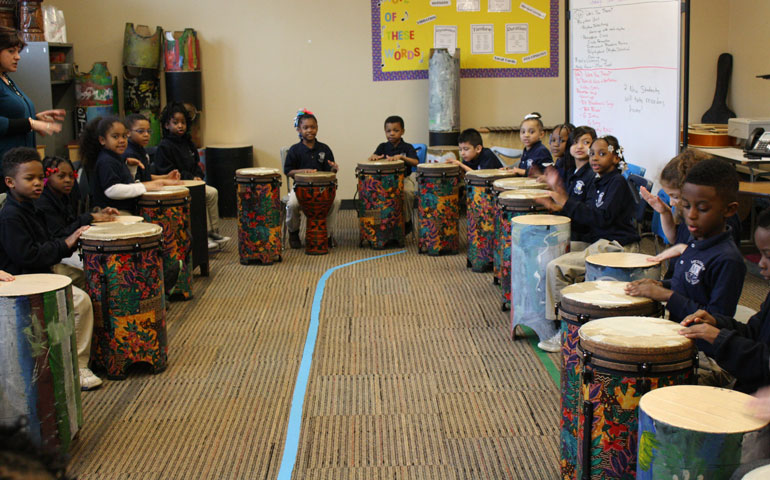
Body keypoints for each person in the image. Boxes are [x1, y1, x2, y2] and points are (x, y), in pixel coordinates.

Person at [0, 147, 102, 390]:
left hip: (43, 270)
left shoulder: (31, 207)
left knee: (95, 276)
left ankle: (97, 347)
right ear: (10, 182)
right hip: (24, 279)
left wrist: (69, 241)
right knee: (80, 302)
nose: (38, 183)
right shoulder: (11, 216)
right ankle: (78, 367)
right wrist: (67, 242)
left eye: (40, 178)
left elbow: (47, 245)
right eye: (30, 179)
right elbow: (28, 257)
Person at [538, 135, 639, 352]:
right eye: (593, 153)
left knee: (557, 267)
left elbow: (601, 218)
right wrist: (561, 207)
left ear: (615, 158)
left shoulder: (617, 183)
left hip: (615, 244)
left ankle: (563, 330)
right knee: (549, 252)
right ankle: (552, 315)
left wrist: (566, 202)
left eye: (602, 154)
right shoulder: (598, 180)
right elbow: (588, 216)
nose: (594, 158)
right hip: (598, 240)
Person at [626, 157, 746, 323]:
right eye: (686, 206)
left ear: (729, 210)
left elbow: (717, 319)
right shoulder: (696, 241)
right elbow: (689, 284)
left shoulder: (728, 259)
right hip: (678, 327)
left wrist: (667, 295)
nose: (691, 215)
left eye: (702, 208)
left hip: (697, 343)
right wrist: (661, 285)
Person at [679, 208, 770, 394]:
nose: (760, 263)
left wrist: (719, 338)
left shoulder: (728, 259)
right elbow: (754, 332)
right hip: (749, 392)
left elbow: (764, 362)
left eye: (768, 255)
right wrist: (717, 323)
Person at [0, 26, 65, 203]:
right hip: (5, 171)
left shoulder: (6, 78)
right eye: (11, 51)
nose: (18, 56)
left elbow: (12, 115)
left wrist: (36, 118)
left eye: (18, 51)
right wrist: (30, 123)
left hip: (21, 168)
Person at [153, 102, 229, 248]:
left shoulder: (188, 143)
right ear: (167, 125)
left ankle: (213, 231)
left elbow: (196, 164)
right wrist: (190, 178)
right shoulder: (164, 146)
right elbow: (168, 172)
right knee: (200, 194)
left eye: (183, 122)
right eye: (175, 122)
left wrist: (198, 176)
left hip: (191, 181)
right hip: (175, 185)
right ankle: (203, 235)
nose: (180, 126)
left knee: (212, 192)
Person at [37, 155, 117, 288]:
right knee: (97, 269)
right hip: (56, 255)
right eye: (61, 176)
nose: (68, 180)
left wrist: (98, 212)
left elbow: (72, 222)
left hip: (65, 250)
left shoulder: (63, 196)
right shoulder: (43, 202)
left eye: (71, 175)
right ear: (47, 177)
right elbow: (60, 234)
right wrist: (90, 217)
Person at [80, 116, 175, 215]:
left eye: (124, 136)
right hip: (112, 212)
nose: (121, 140)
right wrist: (144, 187)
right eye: (115, 137)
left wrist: (131, 169)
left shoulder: (116, 157)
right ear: (102, 140)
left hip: (122, 209)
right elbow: (112, 190)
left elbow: (125, 183)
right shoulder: (106, 160)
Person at [284, 109, 340, 249]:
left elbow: (330, 173)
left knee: (336, 201)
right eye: (305, 127)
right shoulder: (295, 150)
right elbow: (288, 171)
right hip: (300, 188)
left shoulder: (324, 149)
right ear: (299, 129)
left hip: (322, 189)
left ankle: (326, 234)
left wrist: (333, 169)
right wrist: (303, 171)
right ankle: (293, 232)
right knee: (292, 205)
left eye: (313, 127)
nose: (310, 130)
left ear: (317, 128)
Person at [368, 115, 419, 233]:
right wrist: (374, 157)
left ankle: (406, 222)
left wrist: (402, 157)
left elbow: (416, 162)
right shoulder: (382, 146)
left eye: (396, 130)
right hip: (385, 181)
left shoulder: (407, 147)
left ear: (402, 131)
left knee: (407, 193)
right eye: (388, 131)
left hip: (404, 179)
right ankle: (383, 223)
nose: (392, 133)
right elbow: (374, 158)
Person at [123, 113, 180, 183]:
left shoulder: (140, 149)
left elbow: (146, 177)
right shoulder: (129, 153)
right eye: (141, 131)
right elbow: (137, 183)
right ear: (128, 133)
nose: (146, 135)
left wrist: (167, 177)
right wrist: (163, 182)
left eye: (148, 131)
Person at [511, 112, 551, 177]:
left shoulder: (541, 151)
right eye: (523, 132)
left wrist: (523, 172)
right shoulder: (526, 150)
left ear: (541, 134)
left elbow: (546, 174)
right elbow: (522, 170)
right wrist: (512, 170)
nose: (526, 135)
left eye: (531, 132)